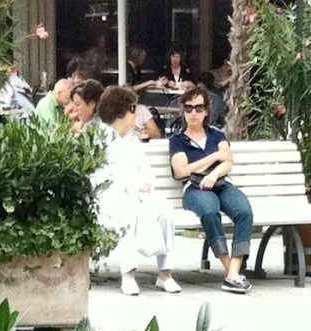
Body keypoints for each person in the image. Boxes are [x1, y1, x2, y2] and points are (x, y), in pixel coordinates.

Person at [94, 86, 182, 298]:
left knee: (165, 209)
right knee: (128, 210)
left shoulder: (132, 139)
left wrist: (146, 184)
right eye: (132, 110)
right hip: (109, 199)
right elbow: (99, 177)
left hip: (138, 194)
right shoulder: (99, 139)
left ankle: (165, 273)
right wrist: (132, 188)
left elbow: (145, 169)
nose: (136, 115)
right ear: (120, 113)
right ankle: (128, 274)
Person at [170, 86, 253, 293]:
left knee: (244, 212)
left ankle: (233, 272)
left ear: (206, 111)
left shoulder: (216, 135)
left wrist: (214, 173)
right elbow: (182, 171)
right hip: (195, 188)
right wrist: (214, 157)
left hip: (221, 183)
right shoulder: (178, 140)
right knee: (209, 212)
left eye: (198, 108)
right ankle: (230, 273)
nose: (193, 114)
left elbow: (228, 161)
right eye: (188, 109)